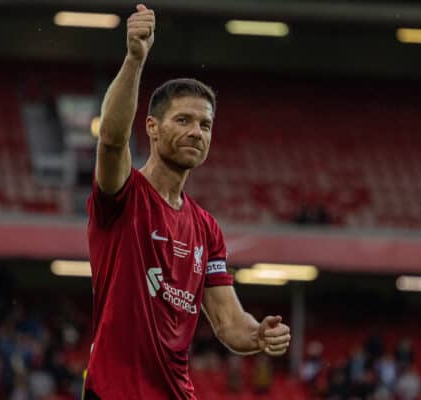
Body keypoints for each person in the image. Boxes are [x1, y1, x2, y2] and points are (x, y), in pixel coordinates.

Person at [84, 4, 291, 399]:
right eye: (183, 120)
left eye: (205, 124)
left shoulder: (206, 228)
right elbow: (111, 141)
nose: (197, 132)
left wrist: (258, 334)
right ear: (153, 128)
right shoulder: (125, 195)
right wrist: (134, 58)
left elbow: (229, 322)